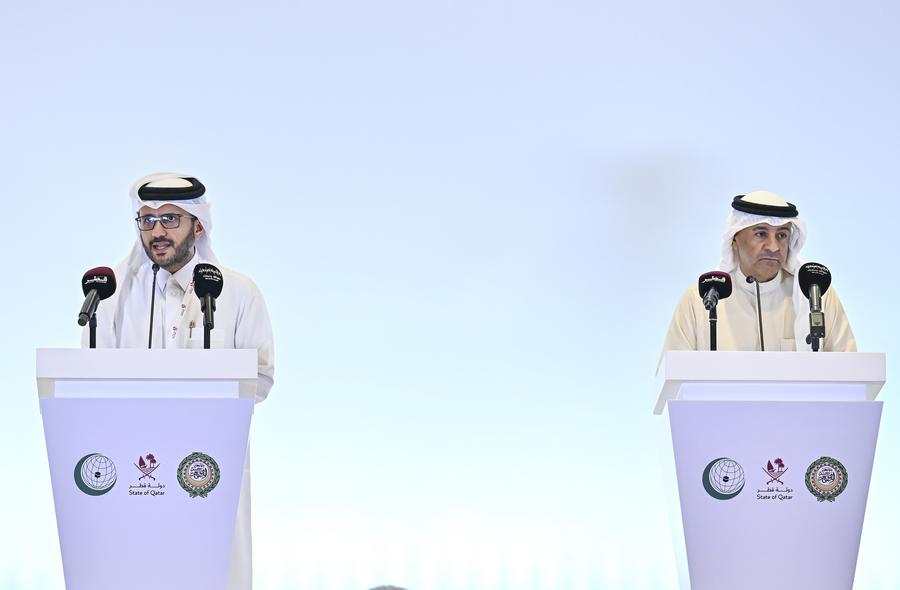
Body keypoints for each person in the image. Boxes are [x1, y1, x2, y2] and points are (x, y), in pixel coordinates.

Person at [83, 172, 274, 590]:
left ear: (198, 226)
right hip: (132, 467)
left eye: (170, 219)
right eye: (147, 220)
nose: (157, 231)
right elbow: (89, 380)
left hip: (207, 465)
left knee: (210, 568)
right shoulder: (112, 294)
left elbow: (260, 378)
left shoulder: (238, 292)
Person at [662, 190, 856, 353]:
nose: (774, 247)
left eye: (781, 235)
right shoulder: (700, 300)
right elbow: (673, 378)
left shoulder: (815, 295)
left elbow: (849, 373)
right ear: (735, 240)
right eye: (761, 234)